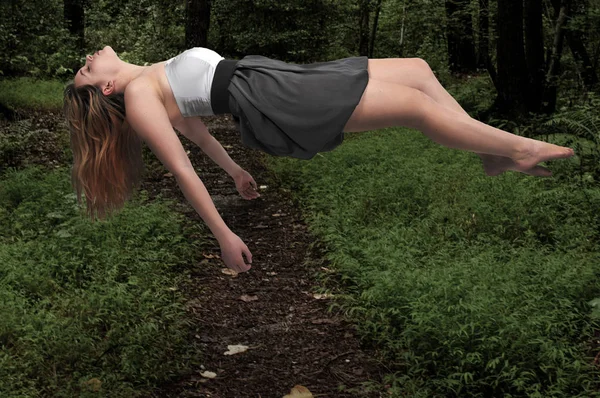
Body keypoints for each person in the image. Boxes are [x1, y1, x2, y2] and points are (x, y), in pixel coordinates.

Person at [63, 46, 574, 273]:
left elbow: (196, 134)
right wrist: (225, 236)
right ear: (107, 85)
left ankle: (489, 150)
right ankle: (517, 148)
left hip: (269, 79)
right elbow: (181, 166)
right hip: (271, 99)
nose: (86, 60)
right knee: (416, 107)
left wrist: (237, 171)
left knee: (418, 70)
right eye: (85, 72)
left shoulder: (152, 77)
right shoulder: (137, 98)